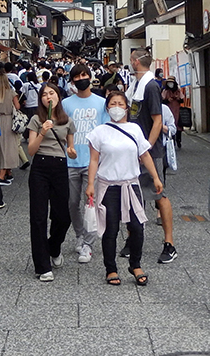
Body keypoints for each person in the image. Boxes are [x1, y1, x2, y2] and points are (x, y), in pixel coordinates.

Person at [85, 91, 161, 286]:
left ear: (126, 107)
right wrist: (90, 183)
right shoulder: (99, 132)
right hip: (108, 186)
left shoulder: (135, 129)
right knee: (109, 229)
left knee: (137, 227)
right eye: (113, 103)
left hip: (131, 185)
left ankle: (135, 264)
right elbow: (94, 160)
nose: (117, 107)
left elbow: (145, 155)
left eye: (120, 103)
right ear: (107, 108)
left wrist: (155, 177)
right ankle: (110, 269)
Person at [126, 48, 177, 264]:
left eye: (131, 60)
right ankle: (133, 240)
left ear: (136, 62)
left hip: (149, 150)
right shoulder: (137, 84)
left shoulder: (151, 86)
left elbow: (157, 120)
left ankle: (169, 244)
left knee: (158, 194)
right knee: (132, 195)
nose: (130, 63)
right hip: (134, 148)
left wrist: (146, 146)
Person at [26, 83, 77, 281]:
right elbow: (30, 150)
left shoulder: (67, 121)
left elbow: (70, 149)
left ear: (58, 96)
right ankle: (42, 266)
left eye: (52, 93)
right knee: (38, 217)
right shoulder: (36, 120)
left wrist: (72, 152)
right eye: (45, 94)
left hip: (59, 166)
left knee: (62, 215)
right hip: (40, 166)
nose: (48, 97)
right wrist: (42, 132)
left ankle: (53, 247)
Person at [62, 64, 108, 264]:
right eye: (77, 76)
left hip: (93, 162)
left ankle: (88, 244)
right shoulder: (65, 104)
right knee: (72, 203)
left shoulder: (101, 103)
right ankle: (80, 235)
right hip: (71, 161)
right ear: (72, 81)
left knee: (91, 204)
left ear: (90, 77)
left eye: (84, 74)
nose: (81, 78)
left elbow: (106, 130)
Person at [0, 70, 20, 186]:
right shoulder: (12, 93)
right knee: (9, 147)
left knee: (1, 147)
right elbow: (17, 106)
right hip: (9, 120)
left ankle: (7, 172)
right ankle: (2, 175)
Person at [161, 76, 185, 149]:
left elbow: (182, 99)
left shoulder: (178, 91)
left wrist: (177, 99)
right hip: (168, 110)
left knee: (178, 125)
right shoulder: (165, 91)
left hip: (177, 110)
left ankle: (179, 140)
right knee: (170, 124)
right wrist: (168, 100)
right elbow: (162, 100)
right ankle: (172, 140)